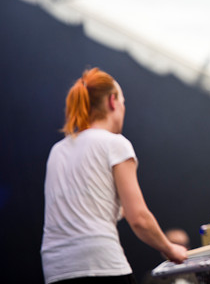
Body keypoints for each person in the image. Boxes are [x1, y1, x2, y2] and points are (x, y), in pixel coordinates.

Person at [41, 67, 188, 283]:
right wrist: (170, 249)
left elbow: (85, 208)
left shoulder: (57, 151)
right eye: (123, 101)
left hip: (56, 270)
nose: (123, 108)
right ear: (112, 101)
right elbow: (138, 218)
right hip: (100, 265)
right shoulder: (115, 143)